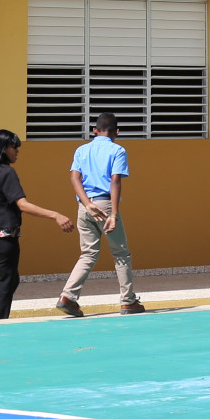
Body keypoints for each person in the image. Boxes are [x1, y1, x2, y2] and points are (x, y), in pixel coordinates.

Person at [0, 129, 75, 321]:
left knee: (10, 281)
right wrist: (55, 215)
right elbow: (23, 205)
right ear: (4, 149)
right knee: (6, 284)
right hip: (5, 239)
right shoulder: (7, 173)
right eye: (14, 147)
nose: (17, 151)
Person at [57, 113, 144, 317]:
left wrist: (87, 204)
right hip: (105, 204)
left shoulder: (81, 150)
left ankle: (67, 296)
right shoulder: (117, 150)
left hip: (84, 206)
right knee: (121, 254)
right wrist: (113, 213)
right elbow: (115, 181)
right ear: (117, 132)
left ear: (95, 131)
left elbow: (74, 178)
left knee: (88, 254)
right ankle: (128, 301)